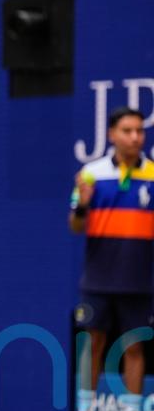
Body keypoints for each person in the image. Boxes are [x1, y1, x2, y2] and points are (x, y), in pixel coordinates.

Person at [70, 107, 154, 411]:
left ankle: (132, 407)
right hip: (99, 279)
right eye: (127, 131)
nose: (135, 137)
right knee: (93, 345)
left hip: (139, 280)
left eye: (140, 131)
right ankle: (85, 406)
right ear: (111, 135)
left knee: (134, 347)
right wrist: (83, 205)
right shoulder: (89, 174)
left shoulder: (153, 174)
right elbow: (75, 225)